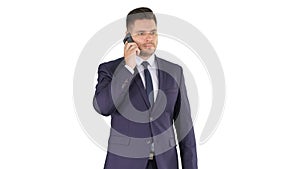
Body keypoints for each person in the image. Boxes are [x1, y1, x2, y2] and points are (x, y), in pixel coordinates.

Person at [93, 7, 198, 169]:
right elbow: (103, 107)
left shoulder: (174, 71)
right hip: (124, 164)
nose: (149, 38)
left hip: (165, 164)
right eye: (141, 34)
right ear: (128, 36)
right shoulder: (110, 70)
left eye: (153, 33)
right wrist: (127, 69)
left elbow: (185, 128)